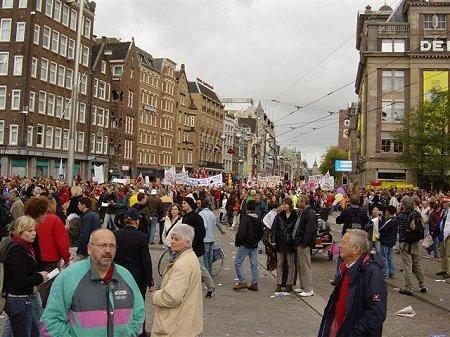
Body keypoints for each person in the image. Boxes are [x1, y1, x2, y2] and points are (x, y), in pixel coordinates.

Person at [40, 229, 146, 337]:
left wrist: (130, 332)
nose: (108, 250)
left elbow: (139, 311)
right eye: (102, 245)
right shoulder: (68, 277)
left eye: (112, 246)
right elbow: (51, 321)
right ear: (89, 249)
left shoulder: (125, 276)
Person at [318, 229, 387, 337]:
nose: (339, 246)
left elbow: (375, 315)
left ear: (356, 249)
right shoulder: (345, 269)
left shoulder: (372, 273)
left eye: (343, 243)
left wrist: (352, 333)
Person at [150, 224, 203, 337]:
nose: (172, 241)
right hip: (184, 319)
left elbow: (172, 297)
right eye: (172, 238)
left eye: (176, 239)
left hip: (177, 324)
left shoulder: (182, 264)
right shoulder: (189, 257)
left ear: (187, 242)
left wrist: (155, 295)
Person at [3, 216, 48, 337]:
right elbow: (20, 281)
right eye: (29, 231)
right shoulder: (19, 250)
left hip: (21, 298)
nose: (34, 233)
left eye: (34, 230)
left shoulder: (24, 247)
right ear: (20, 232)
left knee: (32, 330)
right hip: (19, 299)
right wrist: (39, 277)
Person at [114, 208, 154, 337]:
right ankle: (139, 331)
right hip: (137, 277)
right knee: (139, 304)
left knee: (119, 302)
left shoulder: (116, 234)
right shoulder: (142, 237)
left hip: (119, 275)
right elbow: (146, 260)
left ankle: (120, 328)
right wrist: (150, 281)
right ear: (136, 221)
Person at [36, 197, 70, 307]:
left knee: (40, 285)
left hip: (37, 257)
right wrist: (66, 258)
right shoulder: (55, 220)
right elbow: (62, 242)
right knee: (50, 287)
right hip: (52, 258)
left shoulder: (36, 219)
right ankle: (43, 310)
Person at [181, 197, 215, 298]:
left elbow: (201, 233)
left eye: (184, 203)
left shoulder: (196, 217)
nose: (182, 205)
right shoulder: (186, 216)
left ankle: (210, 287)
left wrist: (193, 243)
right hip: (186, 247)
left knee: (201, 268)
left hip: (195, 248)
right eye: (182, 203)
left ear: (189, 204)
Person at [397, 196, 426, 296]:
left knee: (407, 266)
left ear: (404, 205)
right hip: (416, 243)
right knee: (417, 264)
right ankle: (423, 285)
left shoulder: (401, 216)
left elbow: (400, 228)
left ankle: (409, 288)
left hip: (405, 244)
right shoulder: (417, 214)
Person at [233, 200, 263, 291]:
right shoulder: (258, 219)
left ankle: (242, 281)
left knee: (238, 262)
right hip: (254, 244)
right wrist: (256, 240)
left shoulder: (245, 219)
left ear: (247, 208)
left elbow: (241, 233)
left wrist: (237, 242)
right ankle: (254, 283)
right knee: (254, 264)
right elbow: (261, 233)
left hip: (245, 244)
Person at [292, 194, 318, 297]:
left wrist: (304, 243)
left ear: (304, 202)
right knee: (301, 266)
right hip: (300, 242)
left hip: (304, 244)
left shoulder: (310, 213)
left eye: (300, 201)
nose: (298, 203)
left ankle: (308, 288)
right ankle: (303, 286)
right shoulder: (304, 212)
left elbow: (309, 230)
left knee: (305, 266)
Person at [271, 197, 298, 292]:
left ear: (290, 205)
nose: (284, 205)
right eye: (283, 203)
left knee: (291, 264)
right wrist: (273, 240)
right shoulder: (279, 215)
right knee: (279, 264)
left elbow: (296, 229)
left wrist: (295, 241)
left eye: (286, 204)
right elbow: (274, 228)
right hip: (280, 241)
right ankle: (279, 283)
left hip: (290, 243)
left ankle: (289, 284)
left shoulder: (295, 215)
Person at [199, 200, 224, 276]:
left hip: (205, 239)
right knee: (210, 257)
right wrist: (222, 230)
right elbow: (217, 223)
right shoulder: (212, 213)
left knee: (205, 258)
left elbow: (204, 226)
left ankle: (207, 275)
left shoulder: (201, 214)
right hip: (211, 238)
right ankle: (209, 273)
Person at [378, 205, 398, 278]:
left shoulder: (389, 221)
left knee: (384, 257)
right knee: (390, 257)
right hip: (392, 241)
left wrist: (380, 220)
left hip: (385, 240)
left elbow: (381, 229)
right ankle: (391, 272)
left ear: (388, 212)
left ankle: (385, 273)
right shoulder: (395, 220)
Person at [436, 196, 450, 278]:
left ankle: (449, 271)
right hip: (442, 235)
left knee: (448, 254)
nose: (442, 204)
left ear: (447, 203)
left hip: (448, 235)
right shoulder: (444, 212)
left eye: (443, 203)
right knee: (442, 253)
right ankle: (444, 269)